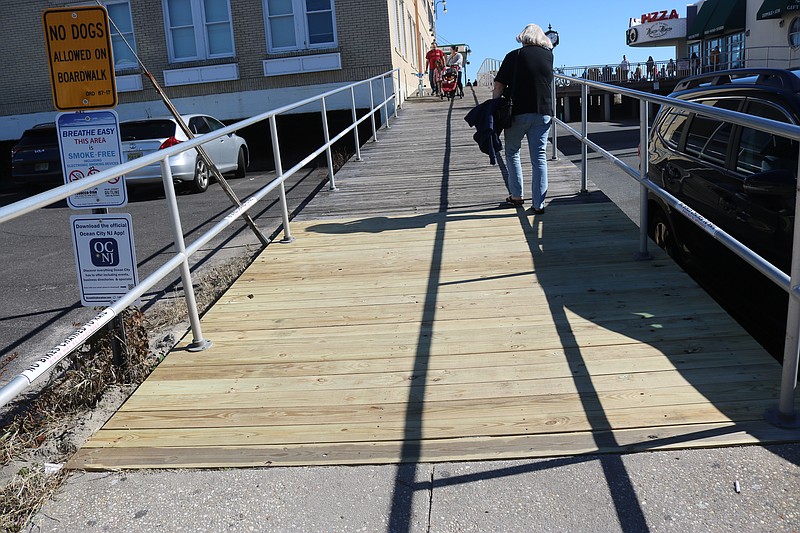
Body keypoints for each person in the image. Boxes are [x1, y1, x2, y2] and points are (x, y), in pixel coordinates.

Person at [492, 23, 553, 214]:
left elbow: (499, 85)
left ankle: (517, 196)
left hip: (517, 112)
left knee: (512, 152)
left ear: (523, 37)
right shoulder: (548, 56)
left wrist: (493, 106)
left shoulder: (514, 56)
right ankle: (539, 204)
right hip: (543, 112)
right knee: (539, 158)